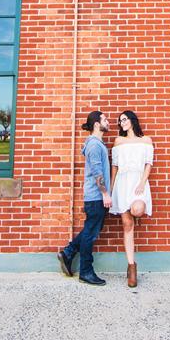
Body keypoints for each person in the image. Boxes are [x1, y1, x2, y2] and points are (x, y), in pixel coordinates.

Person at [56, 110, 111, 285]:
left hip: (95, 197)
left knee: (90, 230)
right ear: (97, 124)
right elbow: (97, 173)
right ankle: (86, 271)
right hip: (96, 196)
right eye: (105, 119)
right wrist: (105, 193)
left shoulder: (97, 144)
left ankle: (68, 253)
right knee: (90, 234)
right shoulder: (94, 145)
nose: (108, 122)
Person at [109, 109, 153, 288]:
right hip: (122, 183)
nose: (122, 123)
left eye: (125, 119)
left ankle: (131, 266)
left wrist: (142, 182)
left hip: (138, 182)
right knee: (127, 225)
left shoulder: (146, 140)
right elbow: (115, 167)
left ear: (133, 120)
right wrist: (111, 190)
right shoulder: (119, 141)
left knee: (137, 209)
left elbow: (148, 164)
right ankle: (131, 266)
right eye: (120, 121)